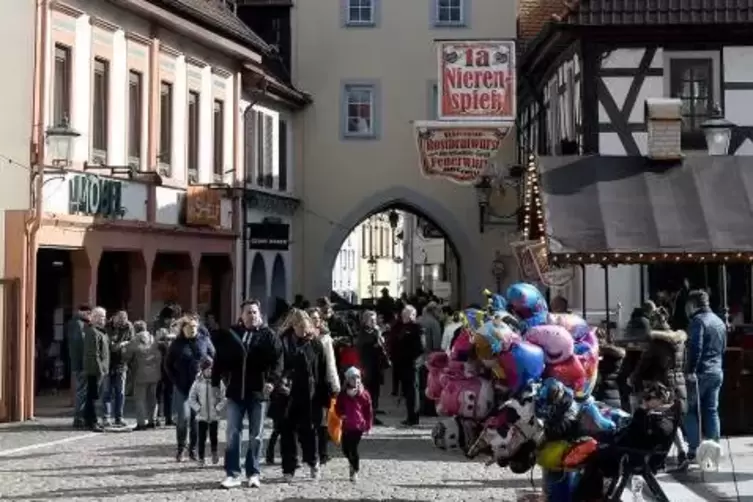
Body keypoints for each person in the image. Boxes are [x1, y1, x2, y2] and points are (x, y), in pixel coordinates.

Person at [214, 299, 283, 489]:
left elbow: (278, 361)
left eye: (254, 312)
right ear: (242, 315)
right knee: (233, 433)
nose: (252, 315)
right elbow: (220, 359)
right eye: (248, 312)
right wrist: (216, 382)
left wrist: (271, 381)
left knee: (256, 435)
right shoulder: (233, 334)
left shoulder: (269, 336)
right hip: (235, 391)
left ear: (259, 314)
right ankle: (232, 474)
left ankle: (253, 473)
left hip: (258, 392)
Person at [278, 309, 335, 482]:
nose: (303, 330)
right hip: (287, 394)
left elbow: (323, 369)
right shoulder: (283, 342)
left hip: (311, 395)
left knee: (309, 431)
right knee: (287, 432)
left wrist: (328, 392)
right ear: (292, 325)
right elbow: (277, 365)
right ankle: (289, 468)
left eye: (306, 326)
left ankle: (313, 462)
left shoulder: (316, 343)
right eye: (299, 326)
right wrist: (280, 381)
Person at [684, 289, 726, 466]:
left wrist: (690, 369)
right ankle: (714, 446)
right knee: (711, 409)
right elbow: (723, 347)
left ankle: (694, 449)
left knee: (690, 410)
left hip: (701, 372)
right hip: (717, 370)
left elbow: (696, 347)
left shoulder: (698, 321)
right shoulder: (719, 321)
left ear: (693, 305)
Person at [165, 314, 215, 462]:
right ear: (183, 328)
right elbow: (168, 365)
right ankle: (181, 448)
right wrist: (175, 380)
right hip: (182, 387)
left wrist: (209, 367)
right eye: (189, 327)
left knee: (196, 420)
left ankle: (193, 449)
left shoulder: (204, 340)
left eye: (195, 327)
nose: (193, 329)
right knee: (183, 418)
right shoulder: (177, 344)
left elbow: (214, 357)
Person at [306, 307, 340, 465]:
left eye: (318, 318)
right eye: (312, 318)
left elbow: (331, 362)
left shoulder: (325, 338)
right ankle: (309, 452)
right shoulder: (302, 336)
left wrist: (334, 383)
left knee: (322, 421)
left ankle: (322, 453)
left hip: (321, 382)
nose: (316, 320)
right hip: (305, 383)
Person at [336, 366, 373, 483]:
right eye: (353, 378)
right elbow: (338, 407)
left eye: (358, 378)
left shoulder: (364, 394)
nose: (356, 380)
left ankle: (354, 470)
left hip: (358, 426)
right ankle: (351, 463)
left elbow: (369, 411)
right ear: (347, 380)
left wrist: (368, 426)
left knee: (353, 449)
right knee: (345, 449)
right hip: (346, 426)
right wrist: (341, 414)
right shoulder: (343, 394)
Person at [188, 358, 225, 465]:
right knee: (202, 438)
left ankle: (214, 452)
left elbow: (224, 397)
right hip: (202, 416)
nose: (210, 371)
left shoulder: (218, 382)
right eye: (208, 369)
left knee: (214, 436)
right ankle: (201, 457)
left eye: (212, 369)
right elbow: (191, 398)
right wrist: (198, 408)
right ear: (202, 370)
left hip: (214, 415)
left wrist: (218, 408)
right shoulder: (197, 382)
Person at [394, 305, 426, 426]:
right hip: (404, 364)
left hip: (412, 364)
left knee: (413, 391)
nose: (403, 317)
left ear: (412, 315)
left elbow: (421, 347)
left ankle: (413, 417)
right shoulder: (403, 327)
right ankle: (410, 416)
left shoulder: (417, 328)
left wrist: (412, 359)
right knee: (407, 391)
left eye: (405, 315)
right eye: (403, 315)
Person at [127, 320, 161, 430]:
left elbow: (127, 356)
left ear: (135, 329)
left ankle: (141, 423)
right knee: (153, 398)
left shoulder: (135, 340)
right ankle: (152, 421)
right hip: (155, 372)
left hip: (140, 373)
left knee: (140, 399)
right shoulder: (153, 339)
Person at [102, 310, 133, 427]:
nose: (121, 323)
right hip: (108, 364)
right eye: (119, 320)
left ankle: (119, 417)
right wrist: (119, 344)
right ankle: (106, 417)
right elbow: (110, 346)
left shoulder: (128, 327)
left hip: (122, 364)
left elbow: (132, 342)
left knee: (120, 393)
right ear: (114, 318)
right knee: (107, 392)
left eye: (124, 321)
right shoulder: (107, 327)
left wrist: (124, 344)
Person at [357, 310, 387, 425]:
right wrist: (377, 340)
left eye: (375, 319)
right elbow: (362, 346)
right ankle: (366, 415)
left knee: (376, 392)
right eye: (371, 320)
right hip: (367, 366)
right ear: (365, 321)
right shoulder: (363, 333)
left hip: (376, 366)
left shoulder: (375, 331)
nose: (374, 322)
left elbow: (381, 347)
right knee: (367, 392)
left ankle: (373, 414)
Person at [82, 307, 109, 432]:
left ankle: (89, 419)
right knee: (92, 396)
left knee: (92, 396)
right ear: (95, 318)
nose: (104, 319)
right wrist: (100, 370)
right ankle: (92, 421)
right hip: (95, 370)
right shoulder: (93, 332)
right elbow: (94, 353)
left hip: (100, 369)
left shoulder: (101, 332)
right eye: (102, 317)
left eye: (104, 317)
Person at [155, 304, 181, 426]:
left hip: (171, 363)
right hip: (159, 361)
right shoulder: (158, 327)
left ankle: (168, 416)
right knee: (158, 390)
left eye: (172, 318)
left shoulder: (176, 328)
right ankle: (156, 416)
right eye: (169, 318)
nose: (171, 320)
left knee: (169, 391)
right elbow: (154, 344)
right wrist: (164, 340)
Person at [67, 305, 91, 428]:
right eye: (88, 313)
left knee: (82, 391)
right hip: (81, 363)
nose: (90, 316)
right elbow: (81, 345)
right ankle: (79, 418)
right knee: (82, 391)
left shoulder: (76, 323)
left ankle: (81, 417)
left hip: (78, 362)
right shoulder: (78, 324)